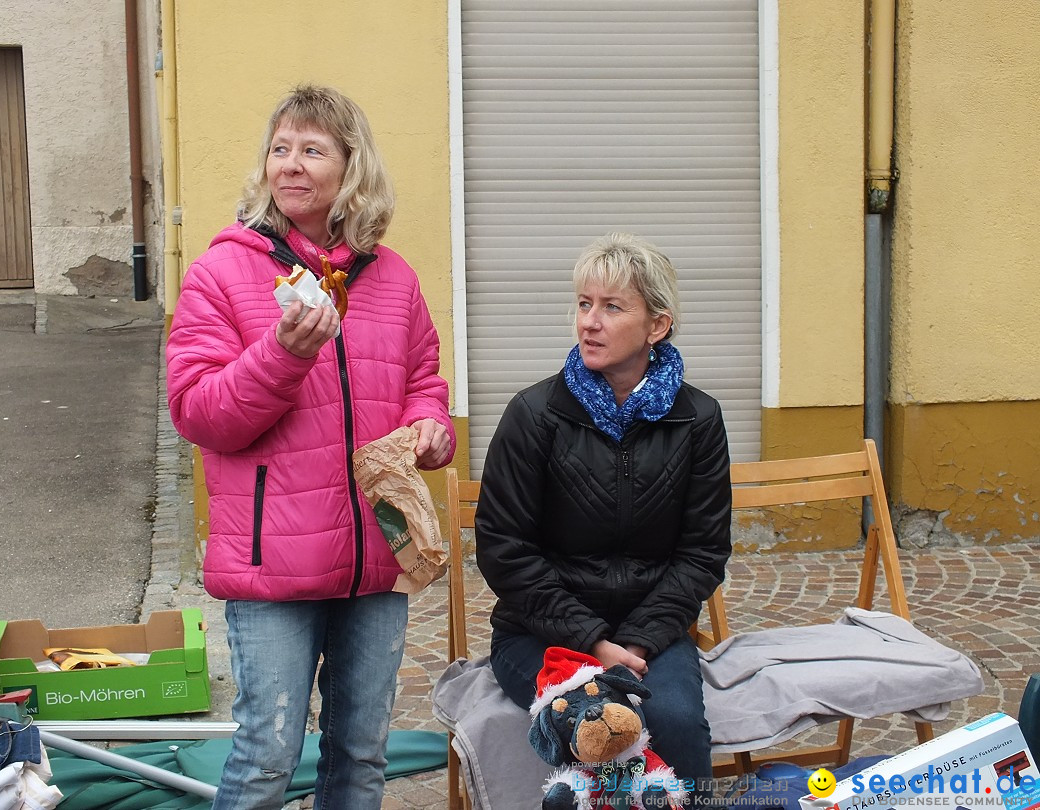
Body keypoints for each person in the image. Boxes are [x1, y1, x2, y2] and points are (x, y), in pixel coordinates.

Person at [165, 85, 454, 810]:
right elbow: (198, 413)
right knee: (267, 755)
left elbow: (423, 379)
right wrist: (280, 357)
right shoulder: (220, 275)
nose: (290, 165)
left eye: (312, 150)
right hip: (274, 565)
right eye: (280, 148)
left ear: (351, 169)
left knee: (361, 756)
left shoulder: (393, 279)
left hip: (377, 555)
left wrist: (432, 428)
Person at [475, 232, 731, 802]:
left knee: (678, 724)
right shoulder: (533, 415)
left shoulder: (698, 420)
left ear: (656, 326)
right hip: (541, 635)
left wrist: (636, 640)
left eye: (613, 307)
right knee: (598, 725)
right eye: (585, 304)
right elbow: (503, 549)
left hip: (652, 635)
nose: (590, 321)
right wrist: (591, 641)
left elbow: (702, 553)